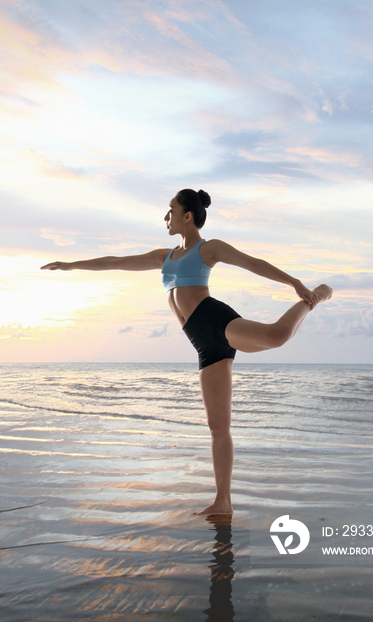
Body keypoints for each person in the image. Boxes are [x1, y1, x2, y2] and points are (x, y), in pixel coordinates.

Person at [42, 188, 332, 516]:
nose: (166, 217)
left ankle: (316, 297)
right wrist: (70, 265)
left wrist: (294, 282)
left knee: (277, 335)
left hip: (214, 320)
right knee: (218, 426)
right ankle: (223, 501)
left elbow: (252, 263)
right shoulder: (163, 258)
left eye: (170, 210)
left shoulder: (208, 248)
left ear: (187, 216)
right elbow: (115, 262)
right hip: (202, 343)